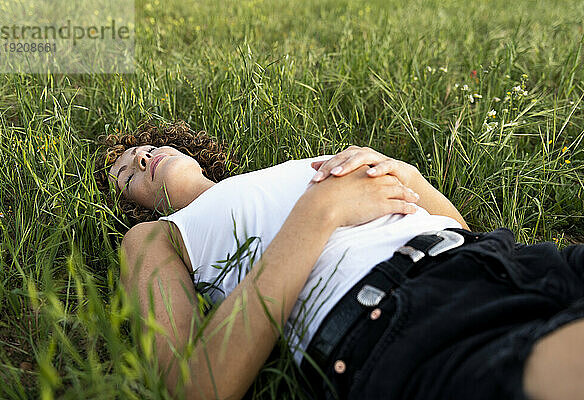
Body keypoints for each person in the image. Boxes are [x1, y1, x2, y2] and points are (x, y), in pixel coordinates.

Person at [96, 121, 584, 400]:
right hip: (399, 312)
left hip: (504, 261)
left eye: (149, 147)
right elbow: (192, 386)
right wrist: (319, 213)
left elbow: (457, 228)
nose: (141, 159)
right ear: (134, 204)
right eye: (123, 173)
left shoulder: (284, 169)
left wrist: (409, 177)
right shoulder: (154, 237)